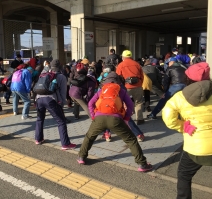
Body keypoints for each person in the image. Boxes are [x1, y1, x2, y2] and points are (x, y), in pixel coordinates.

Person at [77, 72, 152, 172]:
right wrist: (126, 118)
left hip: (99, 118)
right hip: (116, 119)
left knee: (89, 137)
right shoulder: (121, 90)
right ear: (118, 81)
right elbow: (130, 105)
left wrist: (93, 116)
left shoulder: (102, 90)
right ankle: (142, 164)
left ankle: (81, 157)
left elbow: (91, 103)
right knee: (131, 140)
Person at [162, 62, 212, 199]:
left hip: (195, 147)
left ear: (188, 78)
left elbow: (168, 118)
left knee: (184, 175)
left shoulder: (180, 97)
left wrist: (183, 126)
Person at [34, 59, 76, 150]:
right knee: (61, 121)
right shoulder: (61, 77)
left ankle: (38, 139)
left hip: (39, 98)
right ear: (60, 66)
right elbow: (63, 92)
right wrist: (62, 104)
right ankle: (65, 144)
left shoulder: (43, 73)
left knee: (39, 119)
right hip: (50, 100)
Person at [116, 50, 145, 125]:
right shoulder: (137, 64)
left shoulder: (121, 65)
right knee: (138, 102)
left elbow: (118, 77)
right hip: (138, 86)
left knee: (124, 103)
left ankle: (126, 119)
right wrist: (140, 83)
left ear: (123, 57)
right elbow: (142, 76)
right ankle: (140, 119)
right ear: (131, 56)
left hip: (126, 87)